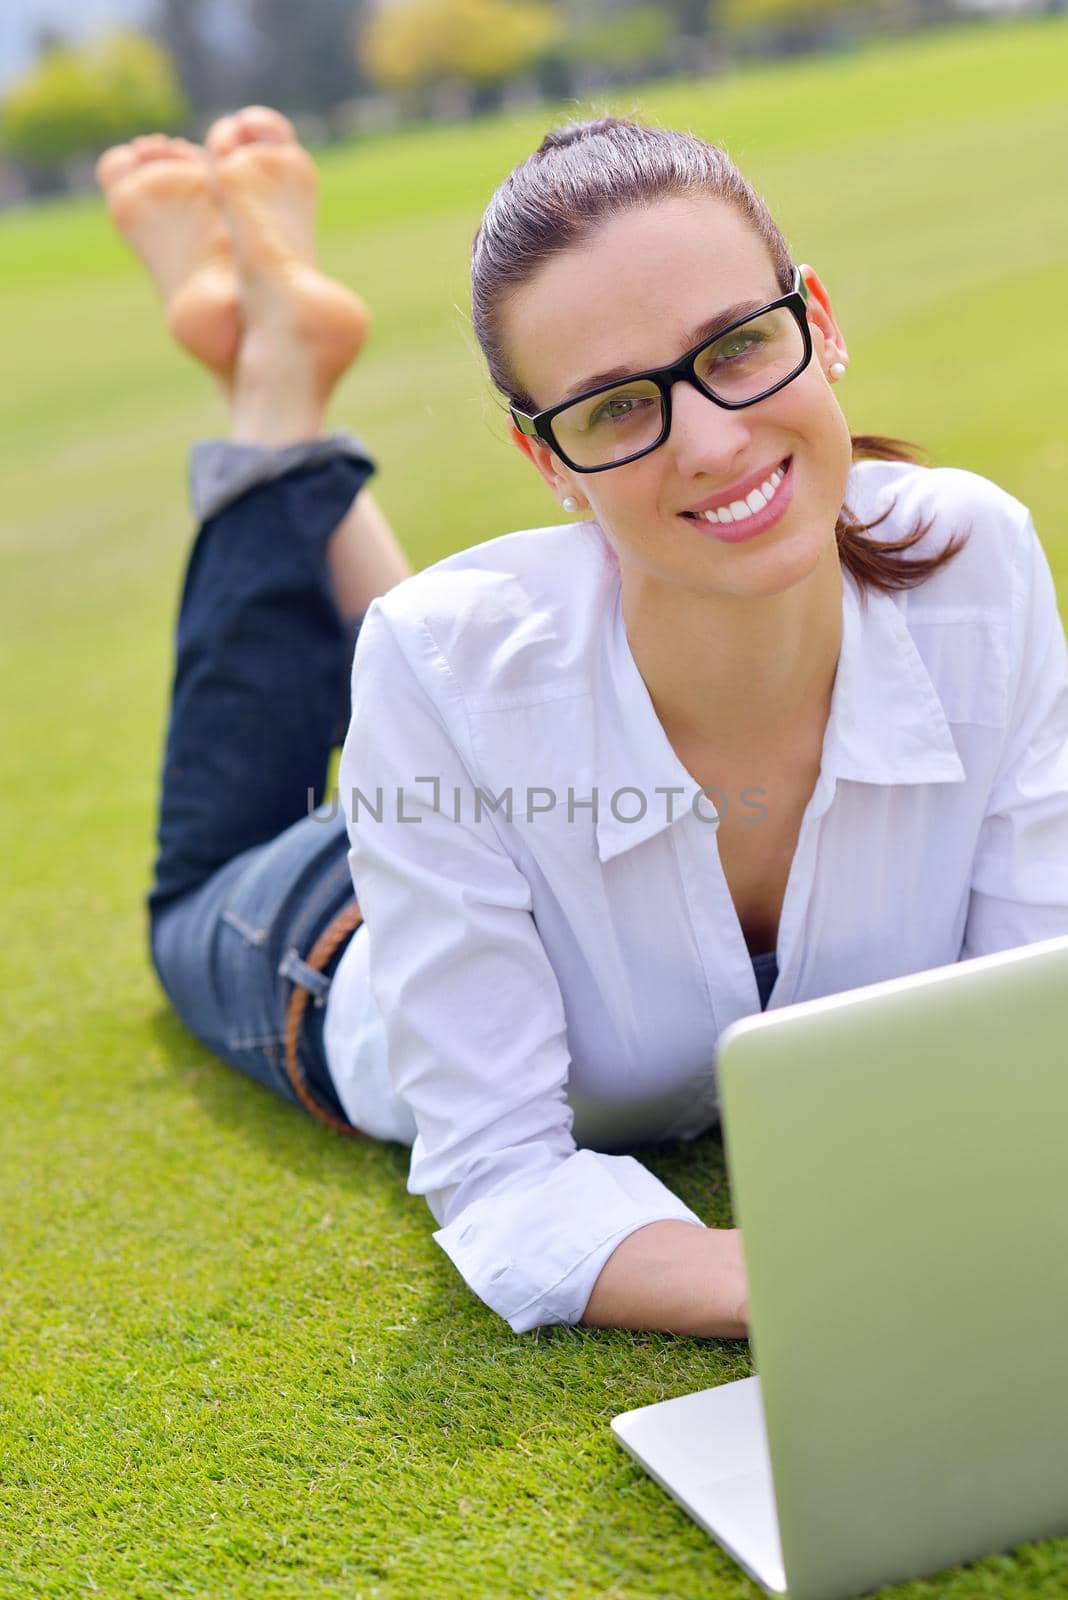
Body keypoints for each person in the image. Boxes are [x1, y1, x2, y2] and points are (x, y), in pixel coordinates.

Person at [97, 109, 1068, 1342]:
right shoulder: (438, 664)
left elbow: (1042, 1026)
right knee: (211, 867)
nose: (713, 440)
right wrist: (804, 1281)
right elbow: (500, 1172)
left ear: (817, 322)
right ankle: (273, 385)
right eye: (614, 407)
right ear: (544, 457)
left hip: (474, 778)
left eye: (737, 346)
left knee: (455, 662)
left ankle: (276, 366)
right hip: (331, 928)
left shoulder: (972, 562)